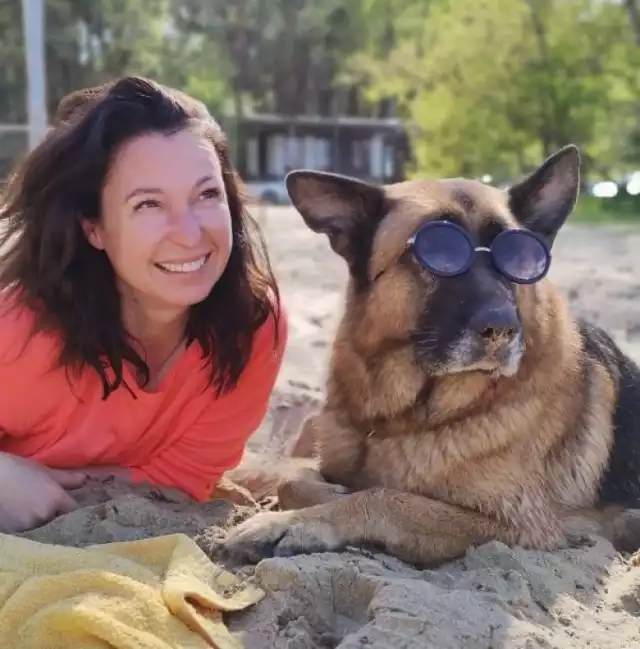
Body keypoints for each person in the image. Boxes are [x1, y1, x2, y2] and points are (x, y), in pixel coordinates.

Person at [0, 76, 287, 533]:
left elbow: (184, 480)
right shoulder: (19, 332)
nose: (191, 235)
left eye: (207, 195)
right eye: (149, 204)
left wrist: (66, 496)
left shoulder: (252, 325)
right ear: (94, 228)